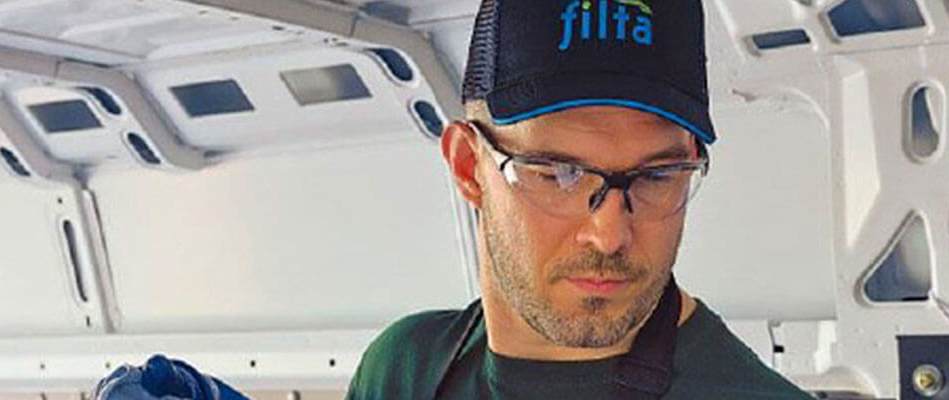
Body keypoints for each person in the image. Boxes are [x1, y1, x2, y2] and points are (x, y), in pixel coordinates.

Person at [345, 0, 814, 398]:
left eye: (656, 177)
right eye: (559, 174)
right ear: (469, 167)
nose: (609, 236)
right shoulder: (404, 371)